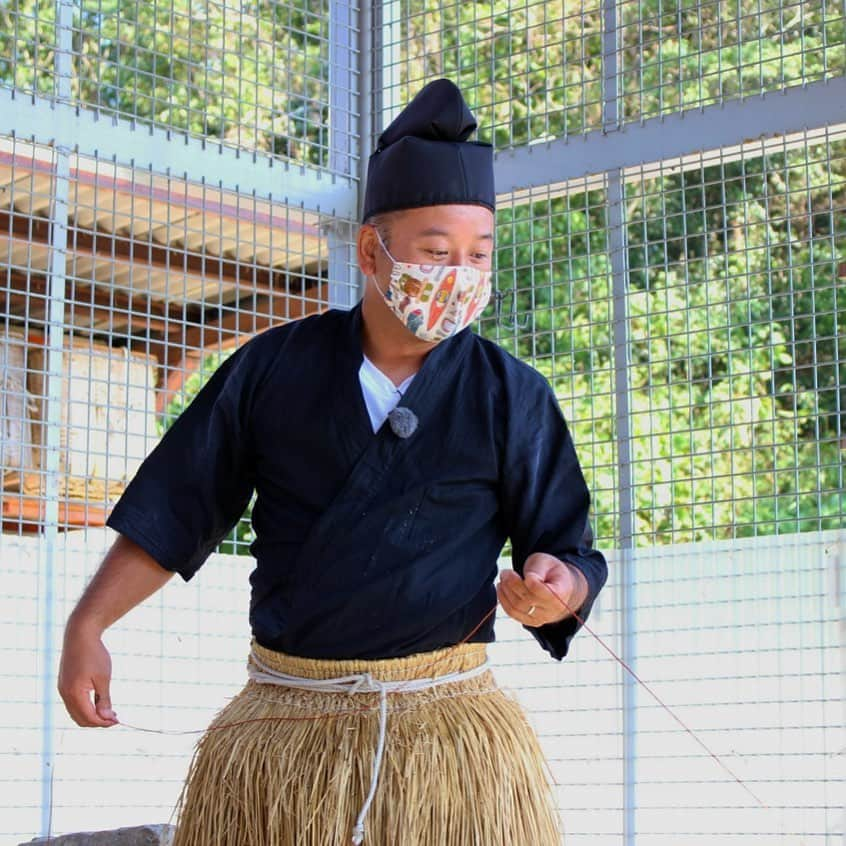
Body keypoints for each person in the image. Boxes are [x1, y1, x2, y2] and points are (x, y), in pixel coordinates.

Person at [58, 78, 607, 846]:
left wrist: (559, 586)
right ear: (370, 249)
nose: (459, 275)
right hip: (287, 728)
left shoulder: (511, 394)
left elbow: (568, 547)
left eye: (479, 254)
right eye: (435, 251)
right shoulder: (271, 369)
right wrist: (90, 624)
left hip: (448, 737)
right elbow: (176, 509)